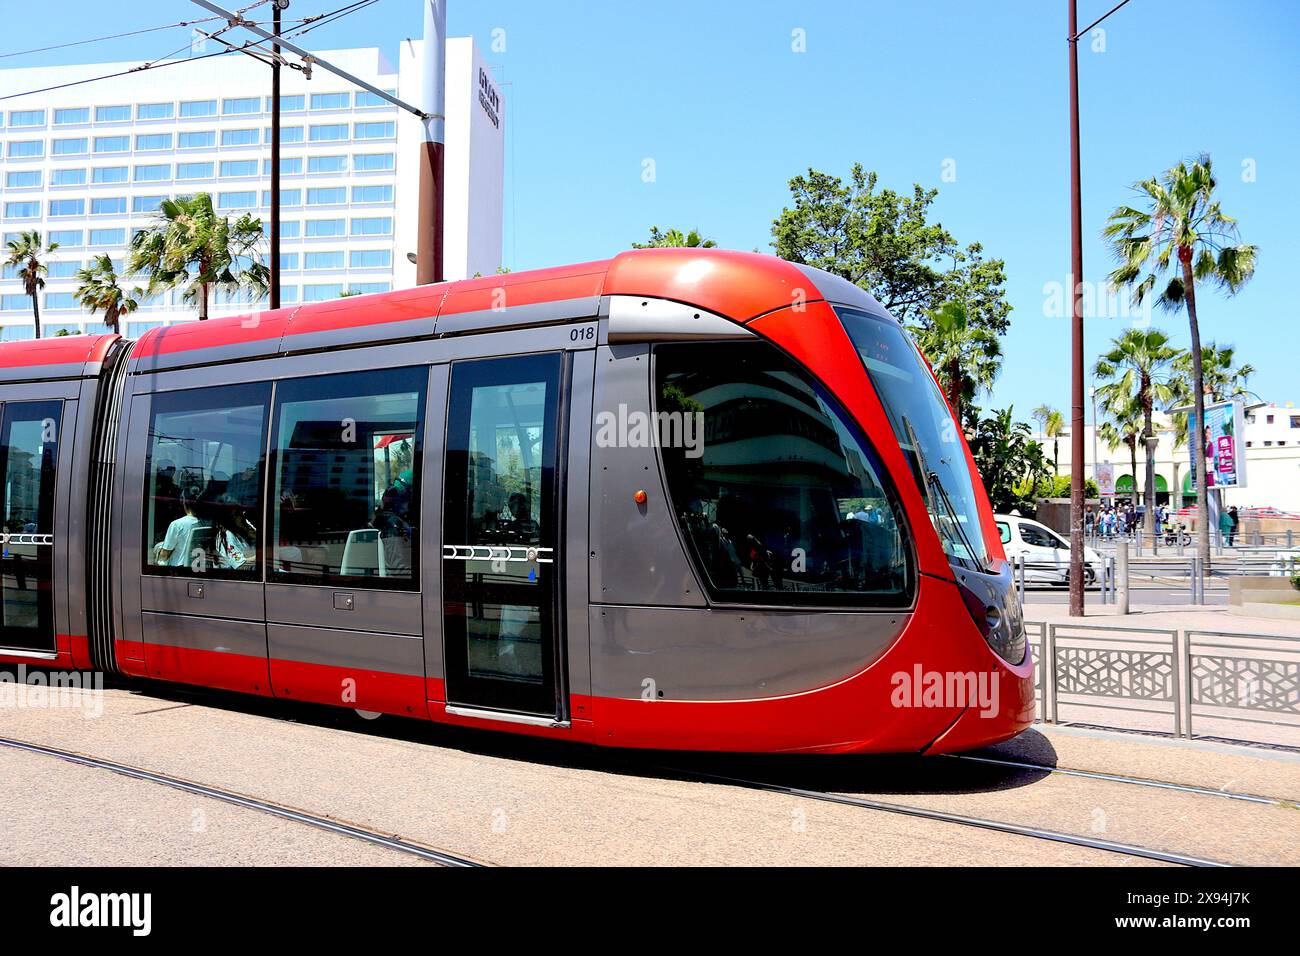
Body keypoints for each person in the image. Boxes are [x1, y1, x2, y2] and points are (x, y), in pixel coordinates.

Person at [154, 488, 203, 567]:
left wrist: (159, 549)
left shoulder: (177, 524)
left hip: (178, 568)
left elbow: (164, 555)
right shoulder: (205, 523)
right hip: (199, 567)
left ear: (183, 502)